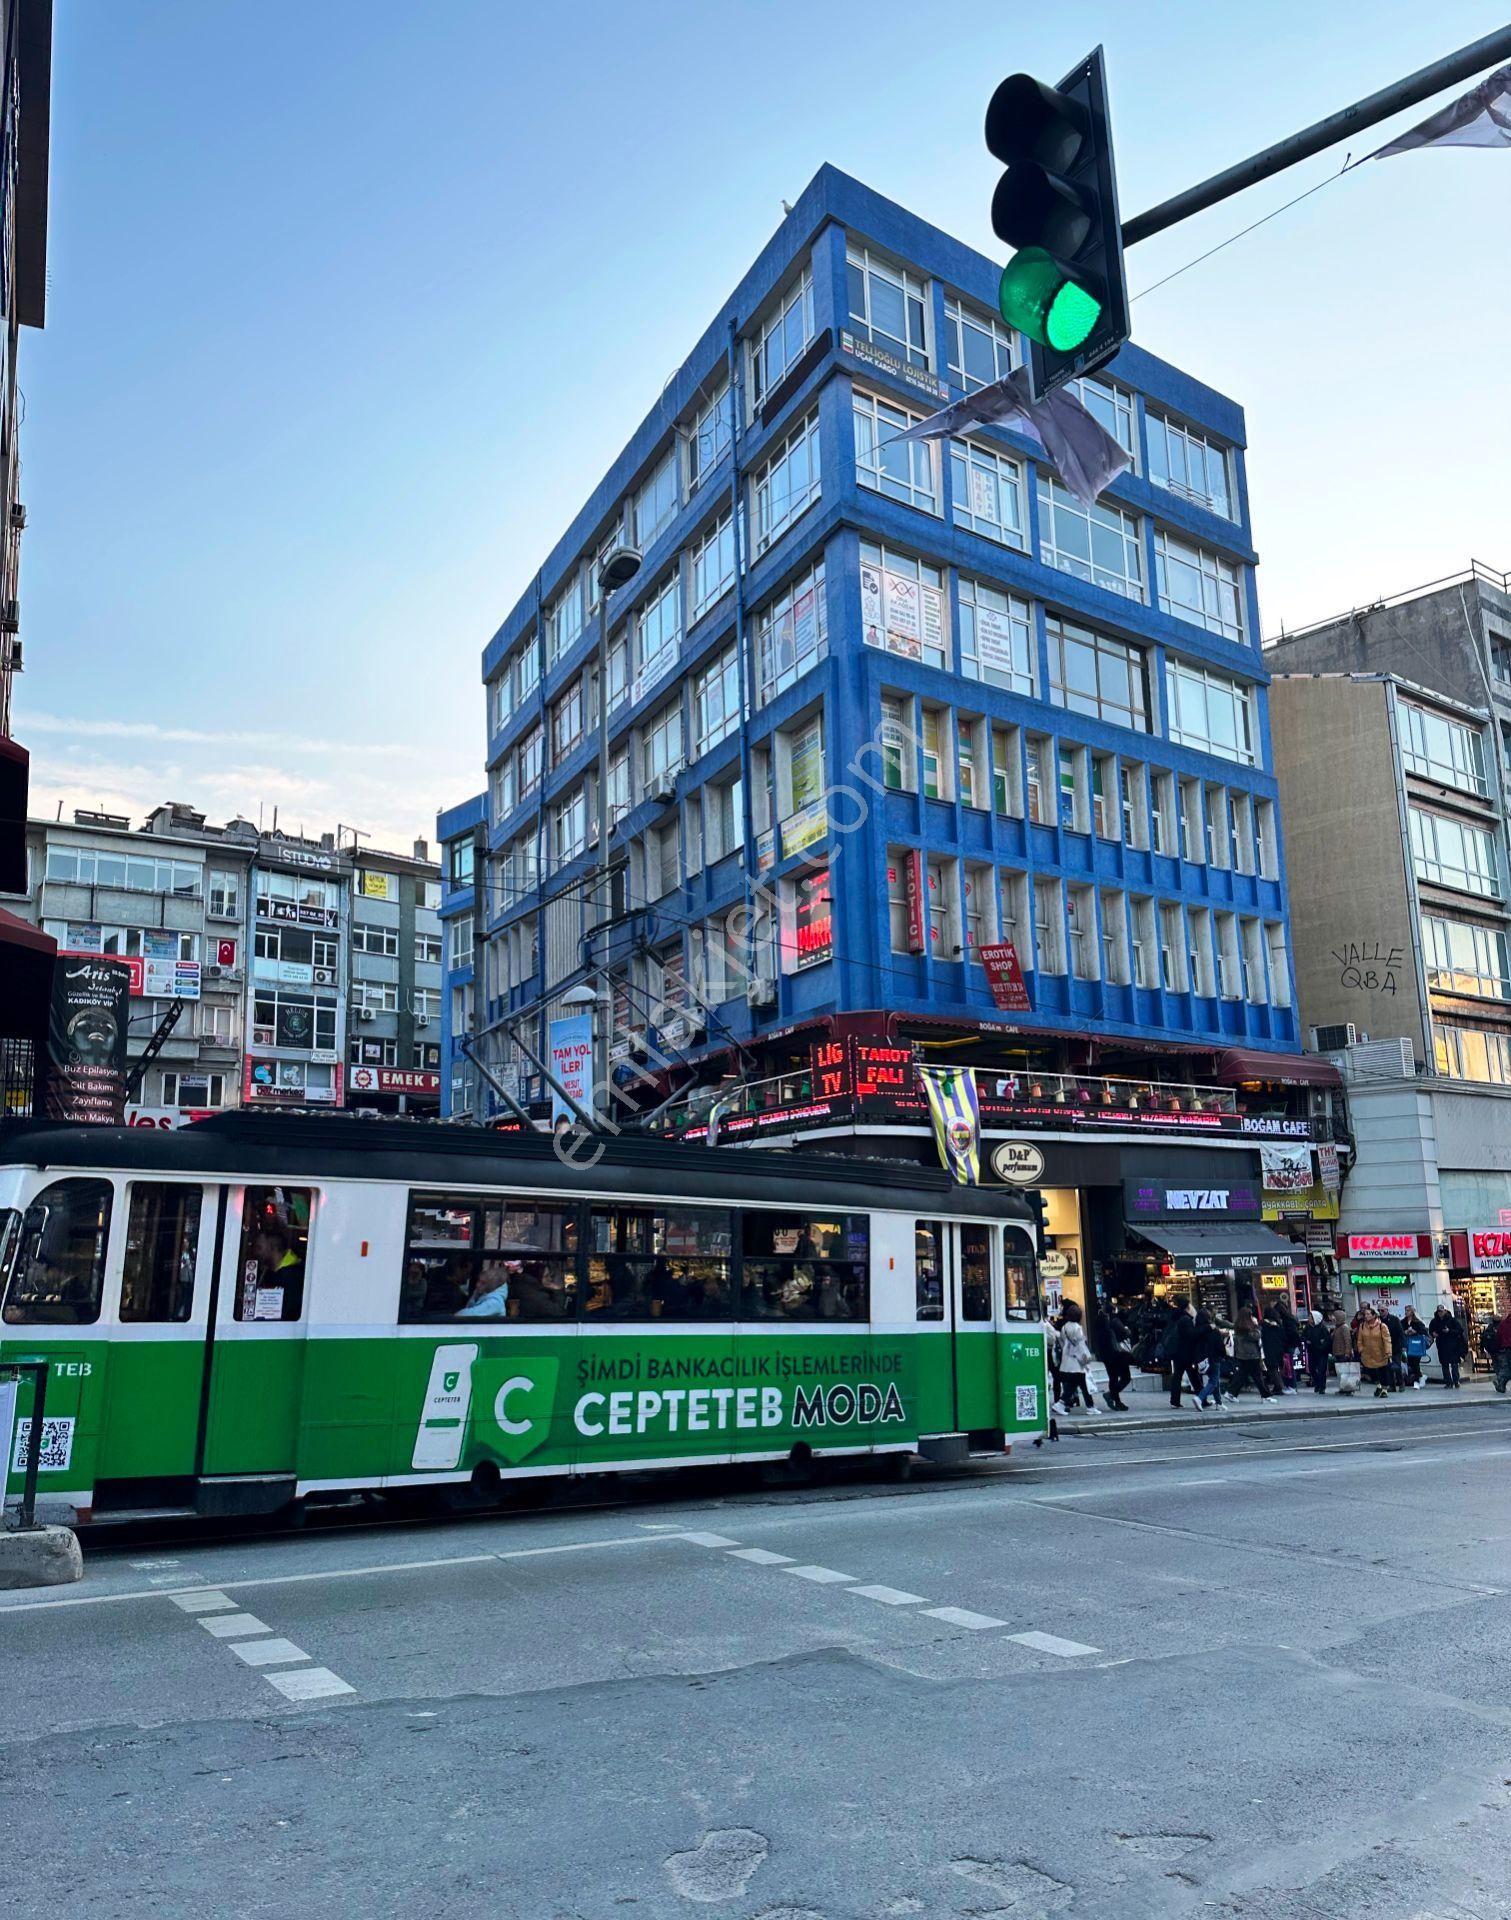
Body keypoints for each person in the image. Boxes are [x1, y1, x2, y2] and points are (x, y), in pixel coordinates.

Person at [1158, 1294, 1202, 1410]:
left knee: (1178, 1375)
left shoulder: (1174, 1317)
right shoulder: (1185, 1319)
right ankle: (1202, 1397)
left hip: (1176, 1351)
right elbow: (1191, 1335)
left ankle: (1175, 1400)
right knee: (1193, 1375)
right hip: (1186, 1351)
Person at [1054, 1302, 1098, 1414]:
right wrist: (1086, 1358)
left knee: (1076, 1384)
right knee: (1082, 1384)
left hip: (1067, 1359)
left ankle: (1089, 1406)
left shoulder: (1064, 1327)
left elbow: (1063, 1341)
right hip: (1077, 1361)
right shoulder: (1078, 1328)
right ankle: (1089, 1407)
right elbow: (1081, 1344)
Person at [1092, 1302, 1134, 1412]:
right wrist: (1127, 1330)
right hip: (1117, 1353)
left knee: (1113, 1377)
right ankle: (1112, 1396)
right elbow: (1125, 1333)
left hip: (1105, 1353)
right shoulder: (1113, 1321)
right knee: (1125, 1377)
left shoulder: (1098, 1320)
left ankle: (1116, 1400)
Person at [1230, 1305, 1274, 1402]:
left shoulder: (1238, 1325)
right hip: (1251, 1355)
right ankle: (1266, 1395)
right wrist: (1257, 1327)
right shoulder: (1246, 1328)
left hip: (1242, 1354)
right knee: (1258, 1376)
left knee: (1242, 1375)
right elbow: (1256, 1336)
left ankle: (1231, 1393)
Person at [1194, 1307, 1230, 1409]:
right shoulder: (1213, 1330)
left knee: (1215, 1380)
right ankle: (1200, 1398)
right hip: (1214, 1357)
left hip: (1202, 1359)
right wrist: (1224, 1354)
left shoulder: (1198, 1330)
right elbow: (1219, 1346)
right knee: (1213, 1381)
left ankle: (1219, 1403)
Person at [1356, 1306, 1394, 1398]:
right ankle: (1379, 1386)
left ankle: (1384, 1389)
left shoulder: (1382, 1326)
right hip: (1368, 1353)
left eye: (1368, 1314)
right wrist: (1360, 1349)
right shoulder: (1362, 1326)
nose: (1366, 1316)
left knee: (1382, 1371)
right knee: (1371, 1372)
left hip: (1380, 1353)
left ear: (1374, 1315)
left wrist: (1388, 1352)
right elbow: (1360, 1340)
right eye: (1365, 1314)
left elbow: (1387, 1340)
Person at [1429, 1302, 1465, 1388]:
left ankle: (1456, 1381)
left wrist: (1449, 1331)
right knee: (1444, 1364)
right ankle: (1448, 1382)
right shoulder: (1434, 1321)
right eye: (1438, 1311)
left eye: (1441, 1311)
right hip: (1441, 1345)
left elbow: (1460, 1330)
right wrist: (1433, 1333)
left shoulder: (1452, 1320)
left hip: (1453, 1345)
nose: (1440, 1313)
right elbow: (1431, 1330)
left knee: (1454, 1364)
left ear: (1445, 1311)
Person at [1260, 1303, 1292, 1396]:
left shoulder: (1264, 1325)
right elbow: (1283, 1337)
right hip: (1279, 1349)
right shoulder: (1278, 1324)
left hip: (1268, 1349)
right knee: (1277, 1367)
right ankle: (1277, 1386)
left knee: (1272, 1368)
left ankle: (1279, 1386)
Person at [1400, 1305, 1432, 1389]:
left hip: (1416, 1345)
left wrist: (1415, 1331)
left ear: (1412, 1312)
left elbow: (1424, 1331)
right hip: (1407, 1345)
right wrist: (1405, 1332)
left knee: (1415, 1363)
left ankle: (1417, 1380)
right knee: (1410, 1363)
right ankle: (1420, 1377)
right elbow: (1400, 1331)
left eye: (1408, 1310)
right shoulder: (1403, 1322)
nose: (1406, 1312)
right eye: (1406, 1310)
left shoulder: (1418, 1322)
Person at [1303, 1308, 1332, 1395]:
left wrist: (1321, 1347)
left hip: (1321, 1352)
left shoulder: (1322, 1328)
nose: (1309, 1318)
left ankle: (1322, 1386)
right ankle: (1317, 1383)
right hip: (1311, 1351)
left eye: (1310, 1317)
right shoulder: (1308, 1327)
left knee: (1321, 1370)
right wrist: (1306, 1341)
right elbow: (1303, 1336)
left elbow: (1327, 1340)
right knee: (1311, 1368)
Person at [1330, 1309, 1356, 1394]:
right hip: (1338, 1353)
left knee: (1345, 1373)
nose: (1333, 1318)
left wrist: (1347, 1352)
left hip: (1343, 1354)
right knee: (1341, 1373)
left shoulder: (1344, 1327)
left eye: (1335, 1316)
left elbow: (1347, 1340)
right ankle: (1343, 1388)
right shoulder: (1337, 1327)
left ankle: (1348, 1389)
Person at [1382, 1305, 1406, 1392]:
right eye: (1379, 1310)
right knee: (1388, 1367)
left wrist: (1403, 1346)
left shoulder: (1394, 1319)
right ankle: (1392, 1385)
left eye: (1383, 1310)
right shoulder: (1379, 1321)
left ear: (1387, 1310)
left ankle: (1401, 1383)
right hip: (1385, 1346)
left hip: (1396, 1346)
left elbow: (1401, 1333)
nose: (1381, 1312)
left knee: (1397, 1366)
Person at [1494, 1308, 1511, 1395]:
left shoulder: (1503, 1324)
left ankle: (1501, 1383)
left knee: (1508, 1367)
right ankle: (1501, 1383)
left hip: (1507, 1349)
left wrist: (1498, 1348)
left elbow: (1498, 1337)